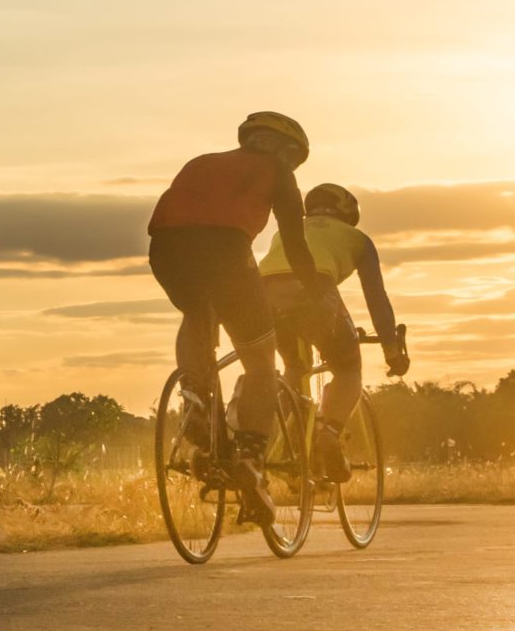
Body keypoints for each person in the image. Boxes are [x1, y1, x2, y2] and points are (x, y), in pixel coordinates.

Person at [146, 112, 323, 531]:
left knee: (196, 310)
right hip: (227, 250)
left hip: (166, 250)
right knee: (261, 363)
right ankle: (250, 455)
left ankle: (196, 395)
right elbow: (295, 243)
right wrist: (315, 290)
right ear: (286, 150)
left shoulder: (201, 161)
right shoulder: (277, 171)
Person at [259, 183, 409, 482]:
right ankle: (327, 434)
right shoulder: (358, 239)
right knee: (347, 367)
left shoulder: (287, 230)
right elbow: (376, 298)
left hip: (262, 293)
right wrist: (392, 350)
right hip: (313, 291)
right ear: (348, 212)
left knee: (294, 368)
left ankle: (264, 441)